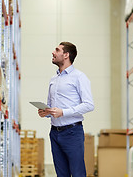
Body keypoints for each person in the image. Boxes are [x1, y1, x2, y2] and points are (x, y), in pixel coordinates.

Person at [38, 41, 94, 177]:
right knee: (61, 174)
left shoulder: (79, 77)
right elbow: (52, 107)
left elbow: (89, 104)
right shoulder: (53, 79)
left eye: (57, 50)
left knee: (77, 173)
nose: (53, 52)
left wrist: (63, 112)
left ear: (66, 55)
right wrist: (46, 112)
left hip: (72, 132)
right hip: (55, 133)